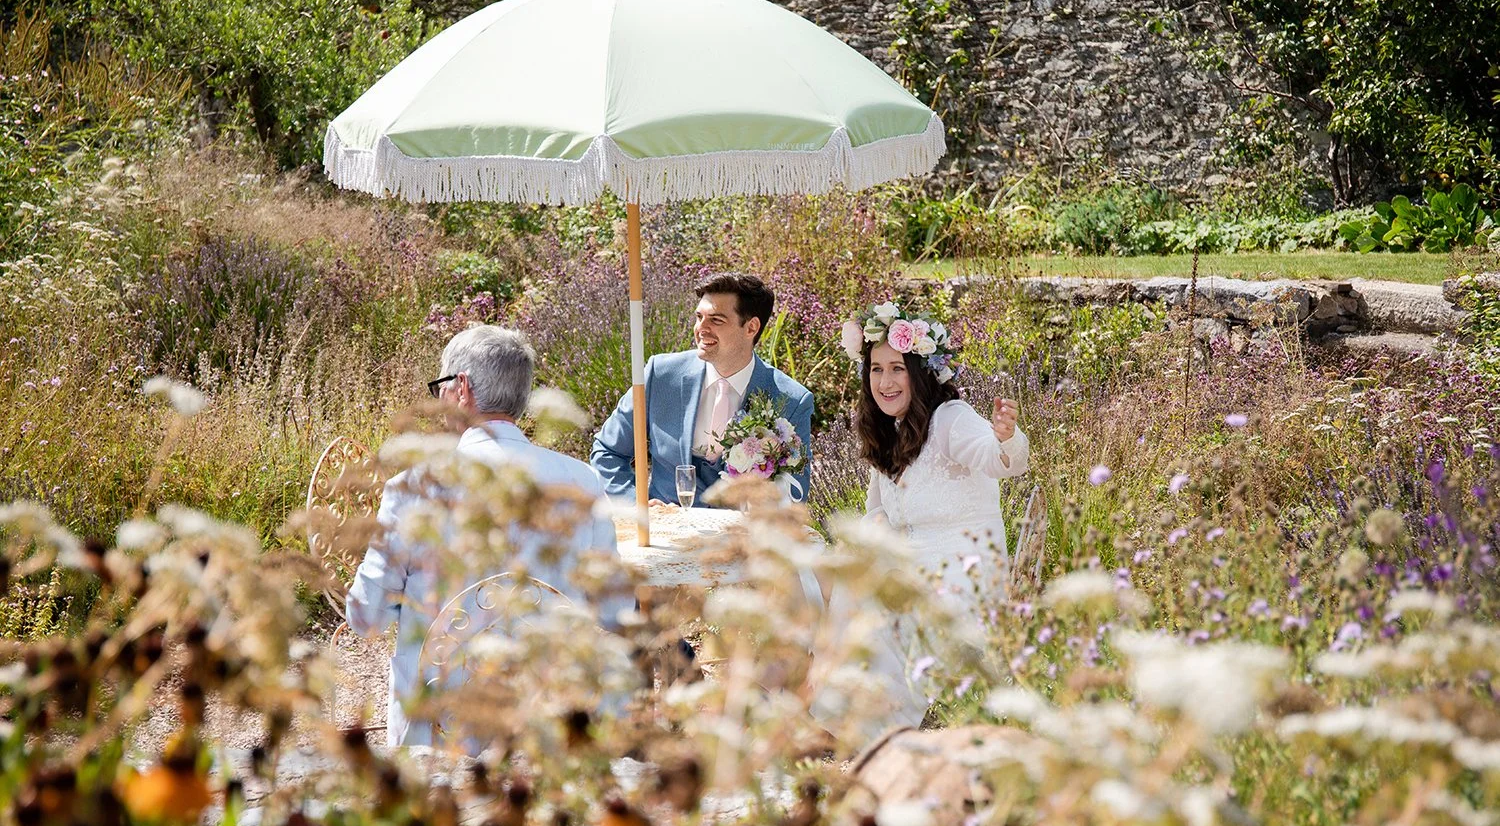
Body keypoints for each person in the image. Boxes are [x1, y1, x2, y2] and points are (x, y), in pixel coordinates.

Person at [346, 325, 628, 747]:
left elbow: (367, 619)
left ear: (461, 388)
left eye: (440, 386)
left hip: (439, 728)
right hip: (546, 723)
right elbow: (615, 609)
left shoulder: (415, 486)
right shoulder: (582, 481)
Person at [832, 301, 1029, 733]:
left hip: (964, 569)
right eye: (876, 369)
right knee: (845, 588)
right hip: (913, 563)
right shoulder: (889, 430)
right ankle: (853, 720)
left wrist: (1006, 438)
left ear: (920, 372)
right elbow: (877, 508)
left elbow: (1001, 461)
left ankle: (881, 729)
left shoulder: (950, 419)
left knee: (885, 608)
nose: (885, 381)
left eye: (898, 368)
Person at [591, 273, 814, 507]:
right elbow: (607, 451)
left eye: (716, 320)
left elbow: (794, 493)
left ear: (751, 327)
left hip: (741, 540)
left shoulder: (791, 400)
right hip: (665, 538)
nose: (701, 328)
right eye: (699, 317)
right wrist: (638, 508)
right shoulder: (661, 375)